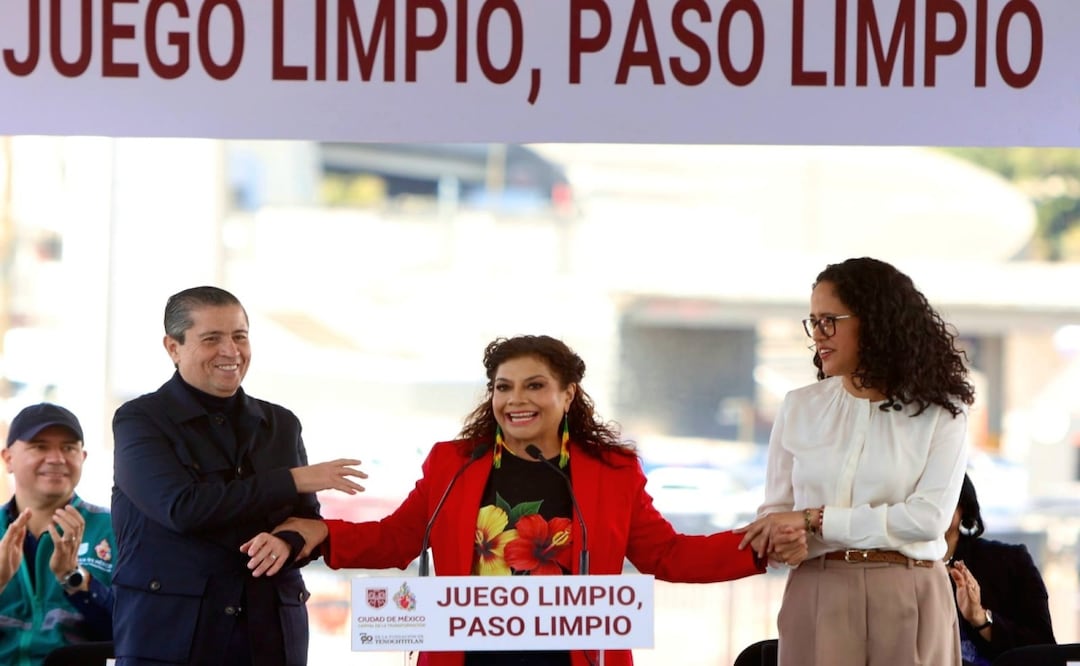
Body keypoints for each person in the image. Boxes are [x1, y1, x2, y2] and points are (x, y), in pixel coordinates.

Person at [266, 334, 802, 666]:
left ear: (568, 394)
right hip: (467, 655)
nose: (515, 400)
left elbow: (668, 555)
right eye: (503, 387)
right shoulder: (453, 463)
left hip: (574, 656)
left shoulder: (612, 472)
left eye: (534, 386)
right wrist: (323, 533)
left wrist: (758, 547)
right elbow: (397, 538)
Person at [110, 286, 368, 666]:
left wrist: (286, 542)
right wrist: (292, 480)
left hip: (269, 635)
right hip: (173, 637)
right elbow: (181, 508)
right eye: (211, 339)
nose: (230, 351)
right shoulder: (140, 421)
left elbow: (307, 522)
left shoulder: (281, 424)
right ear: (173, 347)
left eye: (239, 336)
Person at [738, 257, 975, 666]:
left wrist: (816, 520)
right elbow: (775, 516)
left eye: (830, 321)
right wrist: (783, 542)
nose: (818, 334)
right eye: (813, 322)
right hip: (817, 592)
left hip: (911, 592)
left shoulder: (943, 412)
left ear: (876, 323)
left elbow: (927, 519)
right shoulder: (799, 407)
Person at [0, 402, 115, 665]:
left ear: (82, 457)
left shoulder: (116, 529)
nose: (56, 458)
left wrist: (74, 579)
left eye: (68, 448)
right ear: (8, 459)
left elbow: (134, 633)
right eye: (40, 447)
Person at [945, 474, 1055, 666]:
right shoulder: (897, 573)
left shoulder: (1009, 562)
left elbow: (1045, 651)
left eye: (940, 494)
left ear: (963, 504)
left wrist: (980, 617)